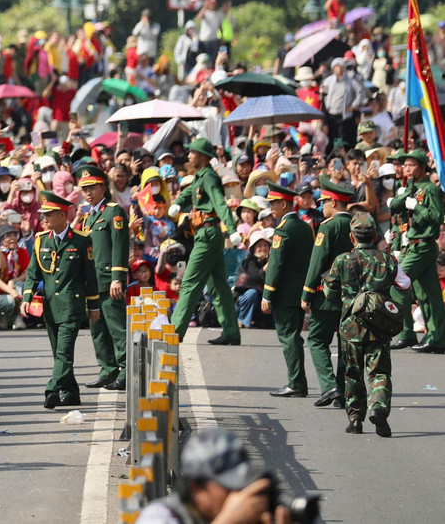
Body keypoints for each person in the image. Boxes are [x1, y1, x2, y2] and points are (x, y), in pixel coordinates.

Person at [322, 211, 400, 437]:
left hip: (351, 326)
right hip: (379, 325)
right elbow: (402, 284)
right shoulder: (388, 260)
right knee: (380, 373)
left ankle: (355, 420)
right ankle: (378, 407)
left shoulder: (343, 260)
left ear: (352, 237)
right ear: (375, 235)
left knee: (352, 375)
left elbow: (329, 293)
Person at [21, 192, 99, 408]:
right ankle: (71, 392)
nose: (44, 218)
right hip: (49, 307)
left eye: (49, 214)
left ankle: (52, 388)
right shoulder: (40, 241)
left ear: (64, 216)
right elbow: (32, 274)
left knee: (64, 353)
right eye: (43, 214)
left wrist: (93, 305)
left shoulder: (82, 241)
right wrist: (26, 297)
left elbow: (90, 277)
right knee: (59, 355)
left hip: (71, 307)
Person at [134, 427, 290, 524]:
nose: (240, 496)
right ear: (196, 489)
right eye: (229, 487)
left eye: (243, 486)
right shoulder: (161, 516)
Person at [169, 138, 241, 345]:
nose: (189, 155)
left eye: (192, 152)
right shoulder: (201, 176)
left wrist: (233, 229)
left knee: (190, 282)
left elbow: (220, 203)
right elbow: (189, 193)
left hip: (207, 234)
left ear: (201, 156)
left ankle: (174, 331)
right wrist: (176, 204)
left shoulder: (208, 177)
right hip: (207, 233)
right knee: (218, 285)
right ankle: (231, 331)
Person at [301, 181, 354, 406]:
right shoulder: (356, 224)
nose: (321, 206)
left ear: (333, 202)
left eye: (324, 202)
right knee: (345, 343)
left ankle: (329, 386)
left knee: (316, 339)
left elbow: (317, 263)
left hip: (327, 295)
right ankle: (342, 390)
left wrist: (307, 292)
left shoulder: (327, 227)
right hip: (352, 295)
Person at [387, 149, 445, 353]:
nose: (406, 168)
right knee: (427, 294)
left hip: (423, 244)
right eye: (405, 165)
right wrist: (400, 198)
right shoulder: (409, 187)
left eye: (411, 165)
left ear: (421, 167)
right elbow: (395, 210)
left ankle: (407, 332)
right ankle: (436, 336)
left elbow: (438, 216)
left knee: (398, 282)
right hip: (411, 243)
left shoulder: (429, 189)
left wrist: (417, 206)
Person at [261, 185, 314, 398]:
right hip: (300, 291)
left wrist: (267, 293)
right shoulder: (304, 227)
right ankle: (297, 381)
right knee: (294, 336)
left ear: (283, 204)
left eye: (273, 204)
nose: (271, 208)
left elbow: (276, 264)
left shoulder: (283, 229)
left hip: (285, 294)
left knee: (289, 337)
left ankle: (296, 383)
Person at [78, 170, 127, 391]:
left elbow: (119, 245)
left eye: (92, 188)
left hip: (108, 280)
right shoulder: (88, 218)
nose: (88, 193)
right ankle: (107, 370)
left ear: (103, 189)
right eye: (84, 189)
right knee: (98, 329)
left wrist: (118, 277)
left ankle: (126, 370)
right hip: (93, 283)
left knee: (117, 328)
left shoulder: (112, 212)